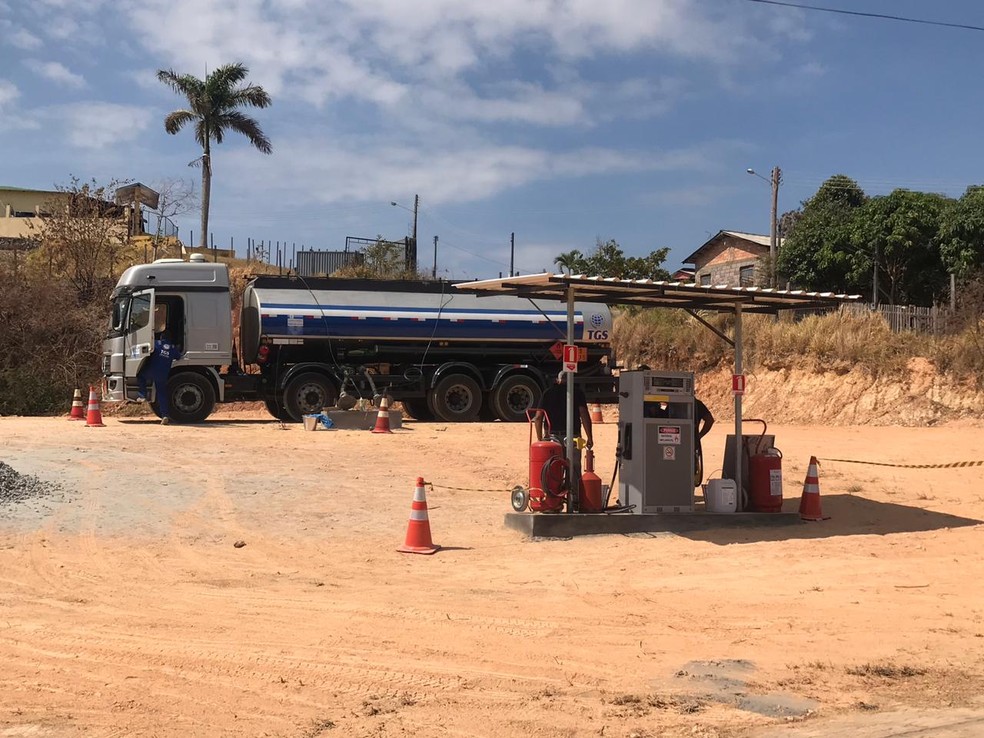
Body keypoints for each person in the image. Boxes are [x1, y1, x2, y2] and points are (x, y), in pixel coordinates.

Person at [533, 372, 594, 488]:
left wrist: (540, 439)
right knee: (575, 468)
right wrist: (590, 437)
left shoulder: (548, 393)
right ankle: (575, 499)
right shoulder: (577, 393)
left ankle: (555, 498)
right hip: (574, 436)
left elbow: (538, 418)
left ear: (558, 379)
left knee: (554, 468)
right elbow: (584, 415)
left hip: (552, 438)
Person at [137, 335, 183, 425]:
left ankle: (143, 395)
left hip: (151, 371)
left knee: (140, 376)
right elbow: (178, 357)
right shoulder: (172, 348)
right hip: (163, 375)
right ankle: (165, 415)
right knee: (162, 394)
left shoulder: (155, 344)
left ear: (161, 337)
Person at [694, 397, 714, 486]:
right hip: (691, 442)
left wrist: (699, 435)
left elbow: (710, 420)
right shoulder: (696, 403)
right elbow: (709, 420)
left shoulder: (696, 404)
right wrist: (699, 436)